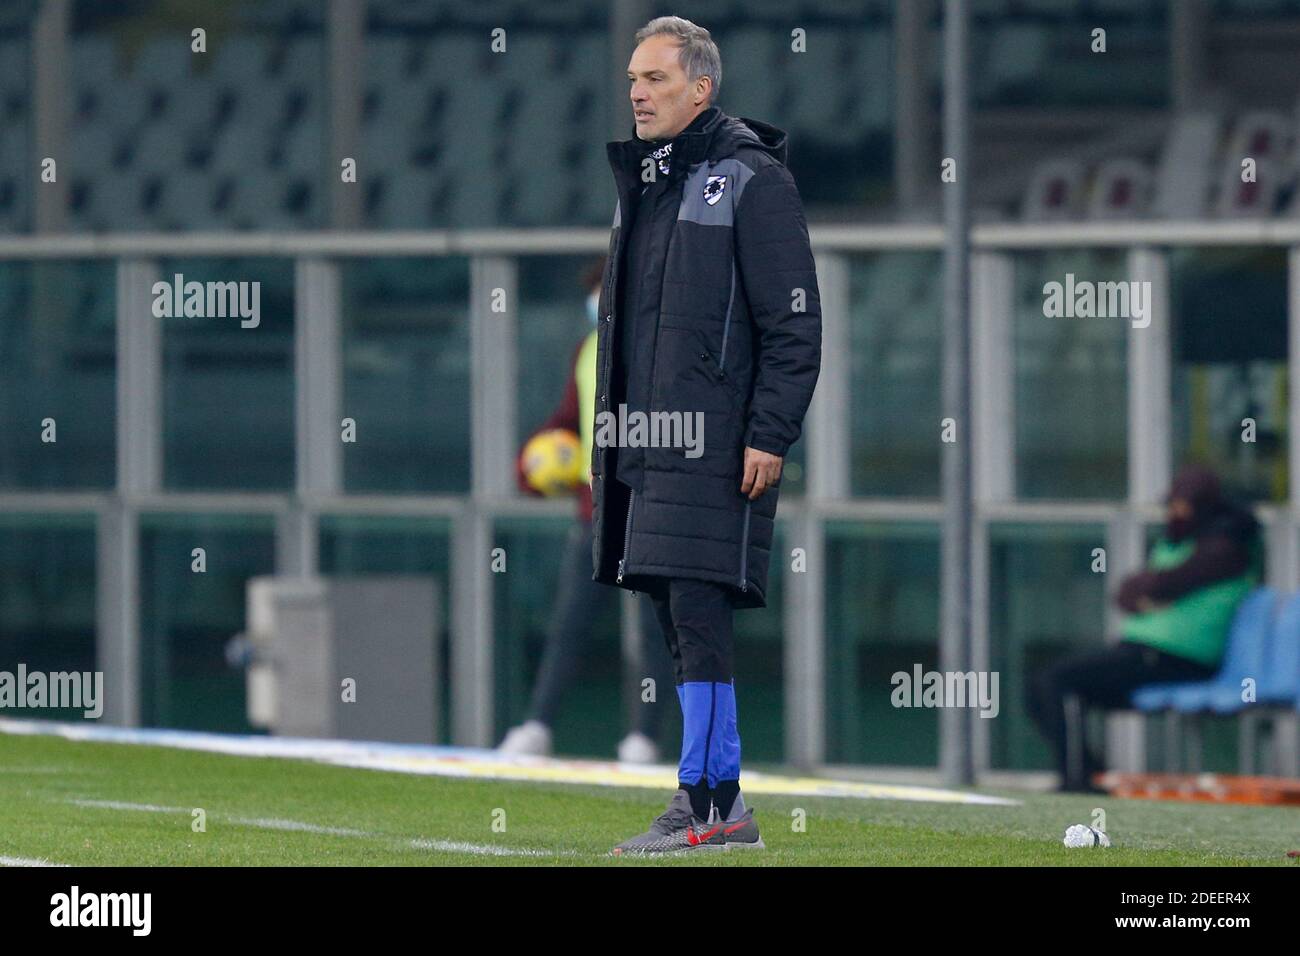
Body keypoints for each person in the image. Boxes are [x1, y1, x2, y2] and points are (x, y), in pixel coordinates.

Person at [592, 17, 822, 854]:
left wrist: (769, 432)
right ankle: (718, 803)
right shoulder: (647, 184)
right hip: (649, 445)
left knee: (697, 614)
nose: (637, 95)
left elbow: (795, 323)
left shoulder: (753, 182)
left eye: (653, 80)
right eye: (631, 81)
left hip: (718, 445)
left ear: (701, 89)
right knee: (676, 613)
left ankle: (709, 802)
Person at [499, 258, 674, 764]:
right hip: (594, 514)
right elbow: (565, 425)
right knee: (570, 622)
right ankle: (538, 725)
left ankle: (644, 735)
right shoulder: (588, 349)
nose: (600, 301)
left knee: (655, 631)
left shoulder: (661, 351)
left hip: (650, 508)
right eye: (597, 291)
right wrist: (532, 468)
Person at [1026, 463, 1263, 792]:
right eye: (1172, 507)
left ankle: (1078, 778)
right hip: (1143, 653)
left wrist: (1153, 591)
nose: (1174, 515)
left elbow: (1166, 582)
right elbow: (1127, 594)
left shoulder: (1225, 547)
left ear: (1204, 506)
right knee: (1044, 685)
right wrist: (1151, 590)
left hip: (1177, 659)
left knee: (1055, 681)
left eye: (1183, 507)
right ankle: (1088, 773)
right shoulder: (1181, 542)